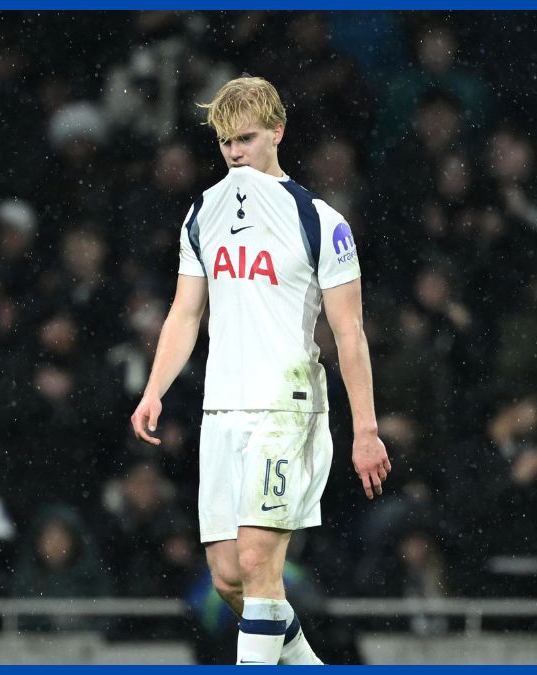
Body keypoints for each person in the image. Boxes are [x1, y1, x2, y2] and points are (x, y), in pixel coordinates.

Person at [129, 76, 390, 665]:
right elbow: (186, 312)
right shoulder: (202, 212)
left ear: (278, 132)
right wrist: (154, 391)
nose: (234, 152)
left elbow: (349, 332)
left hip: (286, 406)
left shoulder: (321, 220)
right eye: (225, 142)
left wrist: (366, 429)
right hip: (221, 408)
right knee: (227, 578)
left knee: (257, 563)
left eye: (245, 138)